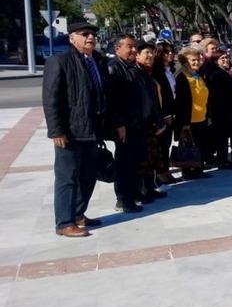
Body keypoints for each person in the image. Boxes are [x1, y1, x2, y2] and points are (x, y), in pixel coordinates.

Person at [43, 22, 107, 237]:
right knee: (67, 178)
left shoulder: (97, 61)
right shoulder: (59, 61)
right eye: (84, 34)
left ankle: (79, 214)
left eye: (92, 34)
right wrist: (56, 130)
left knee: (88, 176)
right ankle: (64, 222)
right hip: (70, 131)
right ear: (72, 38)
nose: (90, 37)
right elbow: (51, 99)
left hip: (92, 130)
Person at [106, 35, 152, 213]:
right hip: (125, 126)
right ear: (118, 49)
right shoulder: (114, 68)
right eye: (130, 47)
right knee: (125, 163)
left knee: (136, 161)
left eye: (135, 47)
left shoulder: (132, 68)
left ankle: (134, 194)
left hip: (137, 124)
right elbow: (113, 101)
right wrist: (119, 124)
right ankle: (124, 199)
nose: (134, 50)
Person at [134, 41, 168, 202]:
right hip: (142, 123)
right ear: (137, 55)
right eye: (146, 53)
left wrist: (159, 121)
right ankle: (141, 191)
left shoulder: (150, 72)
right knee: (142, 159)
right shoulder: (136, 73)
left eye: (151, 53)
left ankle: (150, 187)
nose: (150, 56)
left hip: (153, 123)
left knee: (152, 158)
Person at [200, 45, 232, 169]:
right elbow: (218, 95)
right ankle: (222, 160)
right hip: (220, 111)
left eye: (227, 58)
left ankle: (222, 159)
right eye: (222, 59)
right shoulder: (217, 75)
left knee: (223, 136)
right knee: (221, 137)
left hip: (225, 110)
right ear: (217, 61)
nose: (225, 60)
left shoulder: (223, 73)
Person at [174, 46, 210, 179]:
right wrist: (184, 122)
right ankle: (188, 171)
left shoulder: (197, 74)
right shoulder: (182, 77)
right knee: (187, 145)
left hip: (201, 116)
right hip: (189, 118)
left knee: (199, 144)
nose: (196, 62)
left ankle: (198, 169)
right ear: (184, 61)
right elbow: (181, 102)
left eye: (197, 60)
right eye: (192, 60)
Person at [152, 42, 179, 184]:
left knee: (166, 144)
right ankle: (160, 173)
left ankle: (166, 170)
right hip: (163, 114)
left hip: (173, 112)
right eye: (166, 52)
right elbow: (160, 95)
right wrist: (166, 114)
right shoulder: (157, 71)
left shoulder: (170, 70)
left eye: (171, 51)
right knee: (161, 145)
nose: (170, 54)